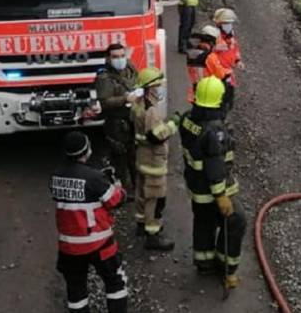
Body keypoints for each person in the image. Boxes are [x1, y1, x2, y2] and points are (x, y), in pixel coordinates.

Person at [178, 77, 246, 290]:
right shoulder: (214, 130)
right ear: (218, 100)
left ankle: (204, 262)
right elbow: (215, 167)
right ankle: (226, 265)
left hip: (195, 186)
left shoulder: (188, 119)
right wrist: (221, 196)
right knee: (236, 221)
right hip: (212, 190)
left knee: (203, 222)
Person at [51, 132, 128, 313]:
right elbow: (115, 200)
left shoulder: (56, 176)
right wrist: (117, 187)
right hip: (99, 244)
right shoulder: (93, 178)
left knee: (76, 289)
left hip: (69, 246)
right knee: (115, 282)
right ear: (86, 151)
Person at [131, 67, 179, 250]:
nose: (160, 88)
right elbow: (156, 136)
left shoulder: (137, 103)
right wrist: (173, 124)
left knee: (142, 193)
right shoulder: (151, 110)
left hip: (142, 157)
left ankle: (141, 225)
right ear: (150, 87)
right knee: (155, 197)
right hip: (153, 159)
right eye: (158, 85)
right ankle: (153, 235)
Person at [95, 43, 141, 196]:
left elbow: (138, 80)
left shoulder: (130, 67)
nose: (120, 59)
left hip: (133, 118)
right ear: (108, 58)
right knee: (120, 157)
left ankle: (138, 187)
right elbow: (104, 102)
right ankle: (124, 192)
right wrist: (125, 98)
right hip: (116, 122)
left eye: (122, 55)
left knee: (135, 155)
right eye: (115, 57)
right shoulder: (104, 77)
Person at [186, 25, 235, 109]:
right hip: (208, 92)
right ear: (212, 41)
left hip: (195, 92)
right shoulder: (210, 56)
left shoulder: (192, 53)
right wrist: (229, 71)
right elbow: (221, 74)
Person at [213, 8, 244, 113]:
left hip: (228, 73)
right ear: (219, 24)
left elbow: (235, 49)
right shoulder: (215, 37)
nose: (229, 26)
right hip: (218, 75)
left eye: (230, 23)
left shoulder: (230, 36)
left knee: (228, 100)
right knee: (219, 101)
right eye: (226, 23)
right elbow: (210, 55)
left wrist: (238, 61)